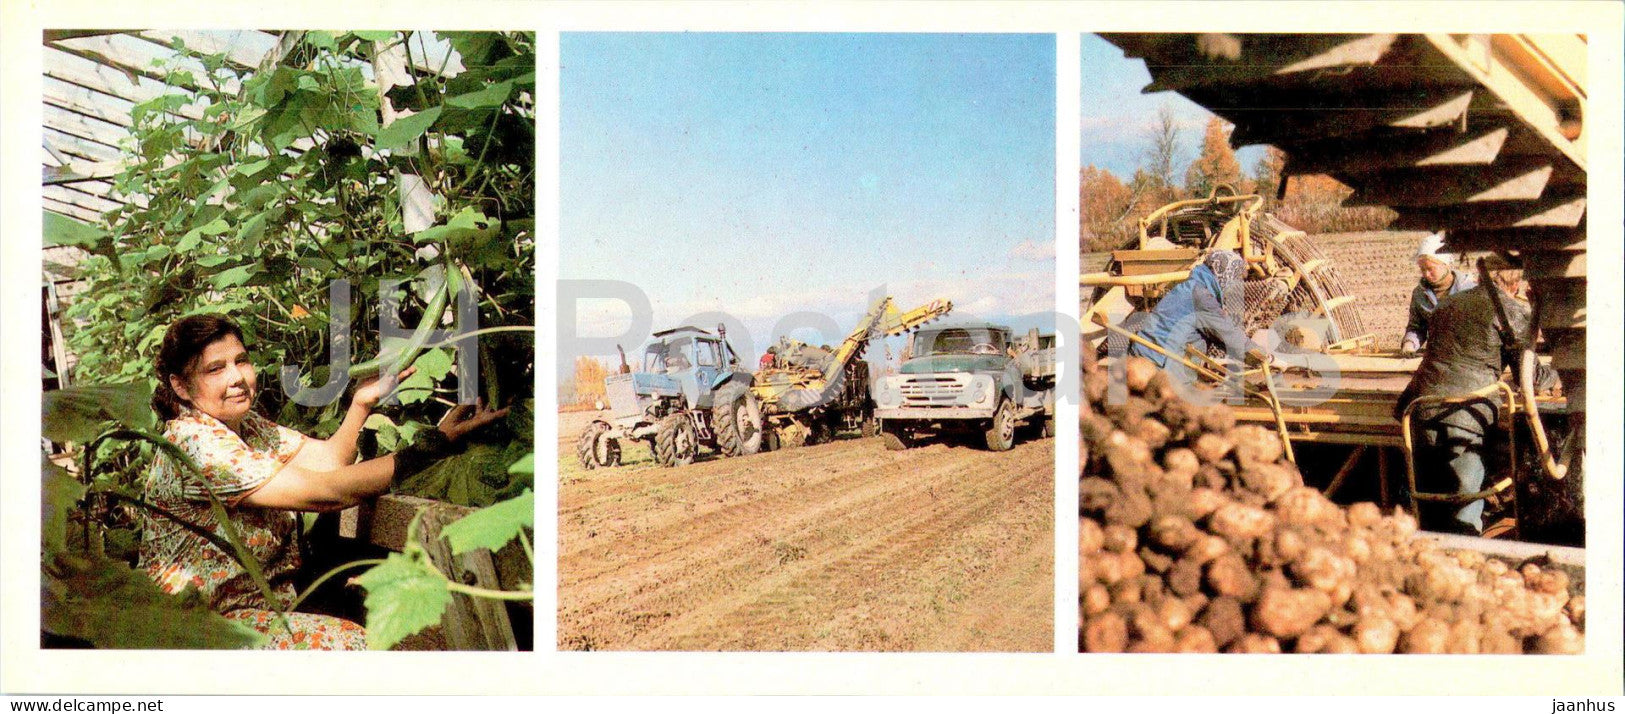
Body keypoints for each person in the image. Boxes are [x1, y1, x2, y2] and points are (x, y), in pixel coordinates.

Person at [140, 314, 506, 650]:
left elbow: (329, 462)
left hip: (251, 610)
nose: (237, 377)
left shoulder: (246, 427)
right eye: (215, 369)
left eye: (242, 360)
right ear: (181, 386)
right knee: (354, 646)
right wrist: (432, 446)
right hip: (199, 628)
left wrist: (361, 404)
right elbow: (327, 494)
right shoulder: (194, 443)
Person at [1395, 255, 1555, 535]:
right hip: (1466, 416)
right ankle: (1470, 546)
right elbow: (1532, 379)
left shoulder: (1447, 304)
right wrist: (1565, 371)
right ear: (1515, 284)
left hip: (1419, 411)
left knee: (1431, 502)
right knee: (1467, 496)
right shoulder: (1509, 312)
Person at [1128, 250, 1267, 370]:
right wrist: (1265, 358)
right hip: (1156, 362)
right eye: (1235, 279)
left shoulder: (1192, 287)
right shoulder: (1201, 297)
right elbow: (1228, 335)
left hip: (1144, 355)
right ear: (1225, 273)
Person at [1401, 232, 1476, 356]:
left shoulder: (1470, 290)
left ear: (1445, 264)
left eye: (1430, 269)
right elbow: (1417, 327)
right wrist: (1409, 343)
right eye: (1422, 269)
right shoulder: (1419, 294)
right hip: (1437, 356)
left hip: (1468, 357)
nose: (1426, 274)